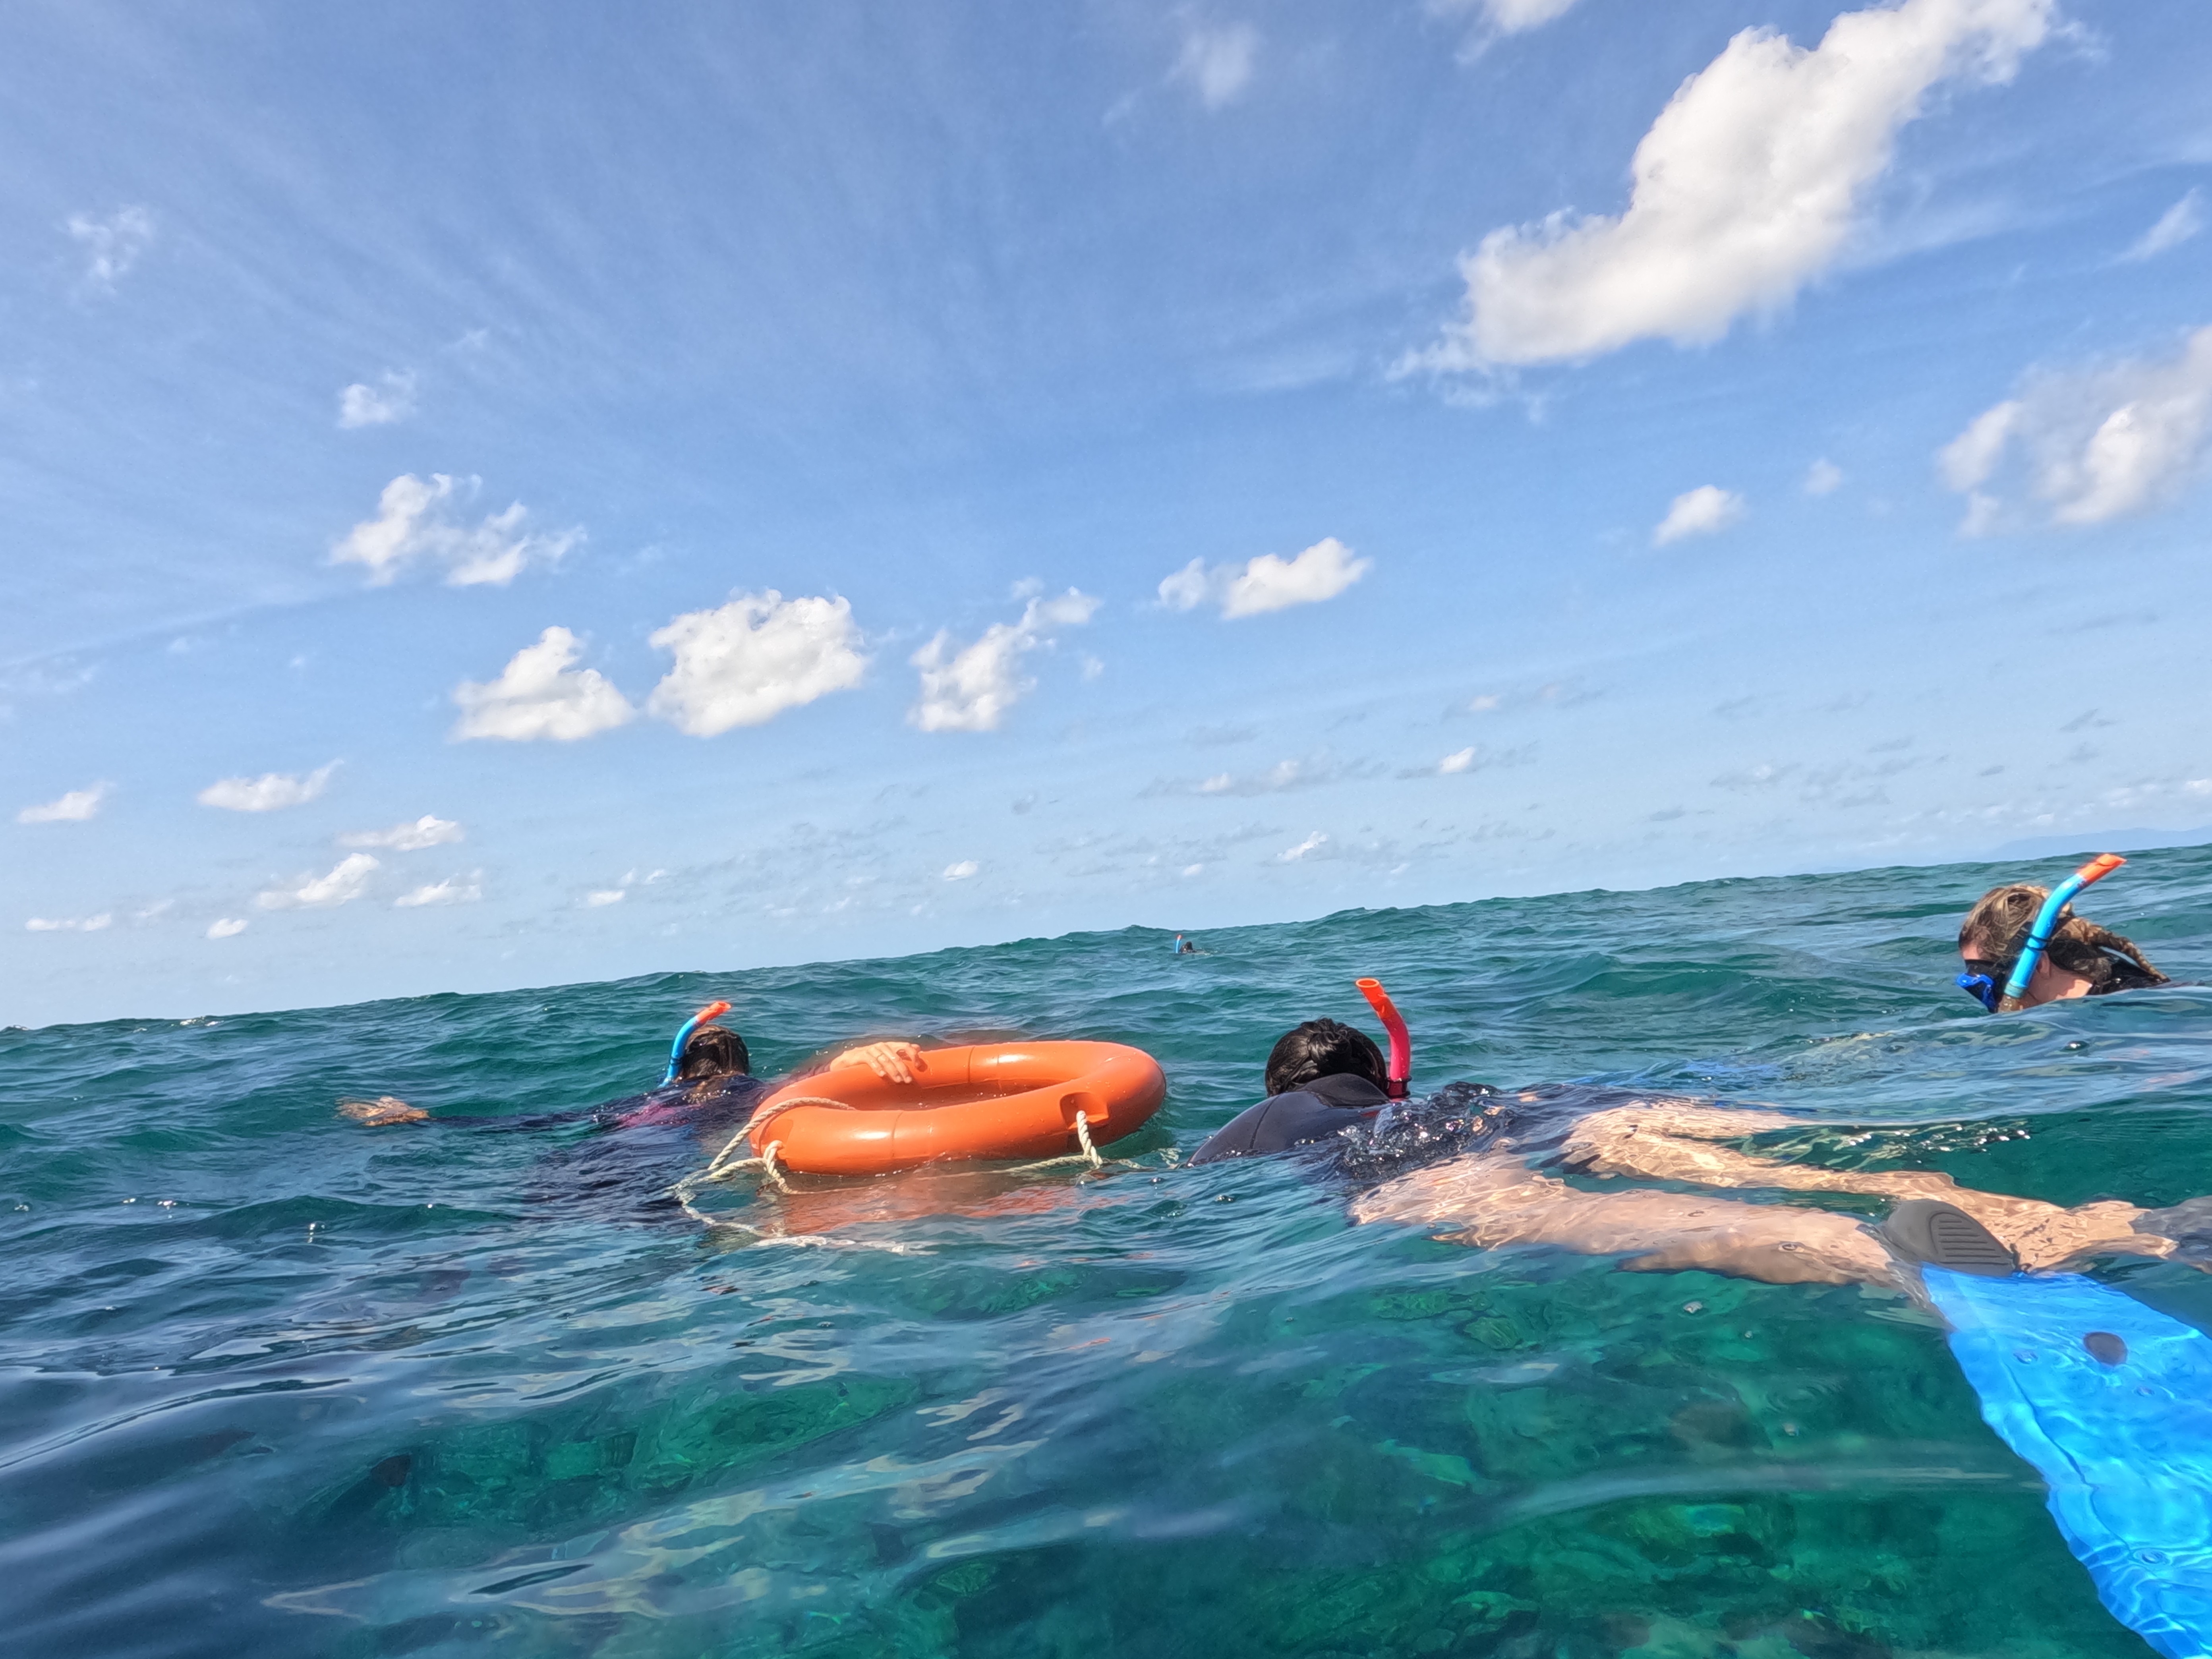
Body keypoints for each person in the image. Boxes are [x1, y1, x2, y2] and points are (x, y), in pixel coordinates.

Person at [1199, 1018, 2209, 1290]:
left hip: (1390, 1163)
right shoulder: (1398, 1094)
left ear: (1272, 1088)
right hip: (1512, 1105)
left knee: (1607, 1216)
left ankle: (1879, 1256)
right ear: (1381, 1075)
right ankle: (2134, 1224)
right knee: (1808, 1160)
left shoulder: (1238, 1137)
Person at [1956, 880, 2168, 1010]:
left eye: (1984, 987)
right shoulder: (2132, 988)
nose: (1993, 1005)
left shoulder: (2129, 1010)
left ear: (2038, 965)